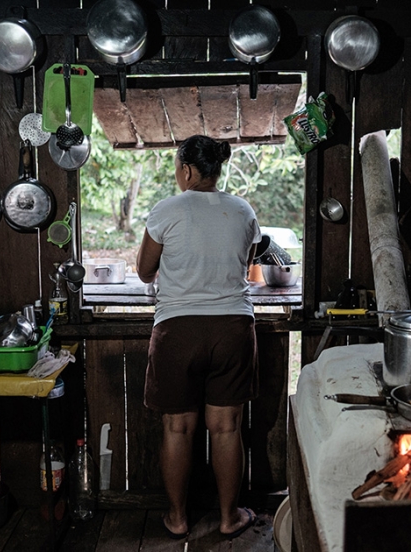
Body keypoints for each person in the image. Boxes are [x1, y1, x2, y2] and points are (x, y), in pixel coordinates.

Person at [136, 134, 261, 540]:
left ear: (187, 170)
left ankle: (177, 518)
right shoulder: (242, 210)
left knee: (178, 428)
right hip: (232, 329)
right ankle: (228, 518)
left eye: (178, 168)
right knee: (226, 427)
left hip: (178, 330)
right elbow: (246, 259)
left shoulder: (167, 210)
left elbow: (144, 270)